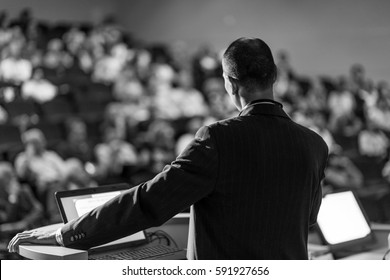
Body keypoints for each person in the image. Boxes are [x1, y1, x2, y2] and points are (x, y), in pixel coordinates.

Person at [8, 37, 328, 260]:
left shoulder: (219, 138)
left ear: (229, 84)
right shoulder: (314, 144)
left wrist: (67, 233)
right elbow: (307, 217)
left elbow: (148, 201)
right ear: (275, 76)